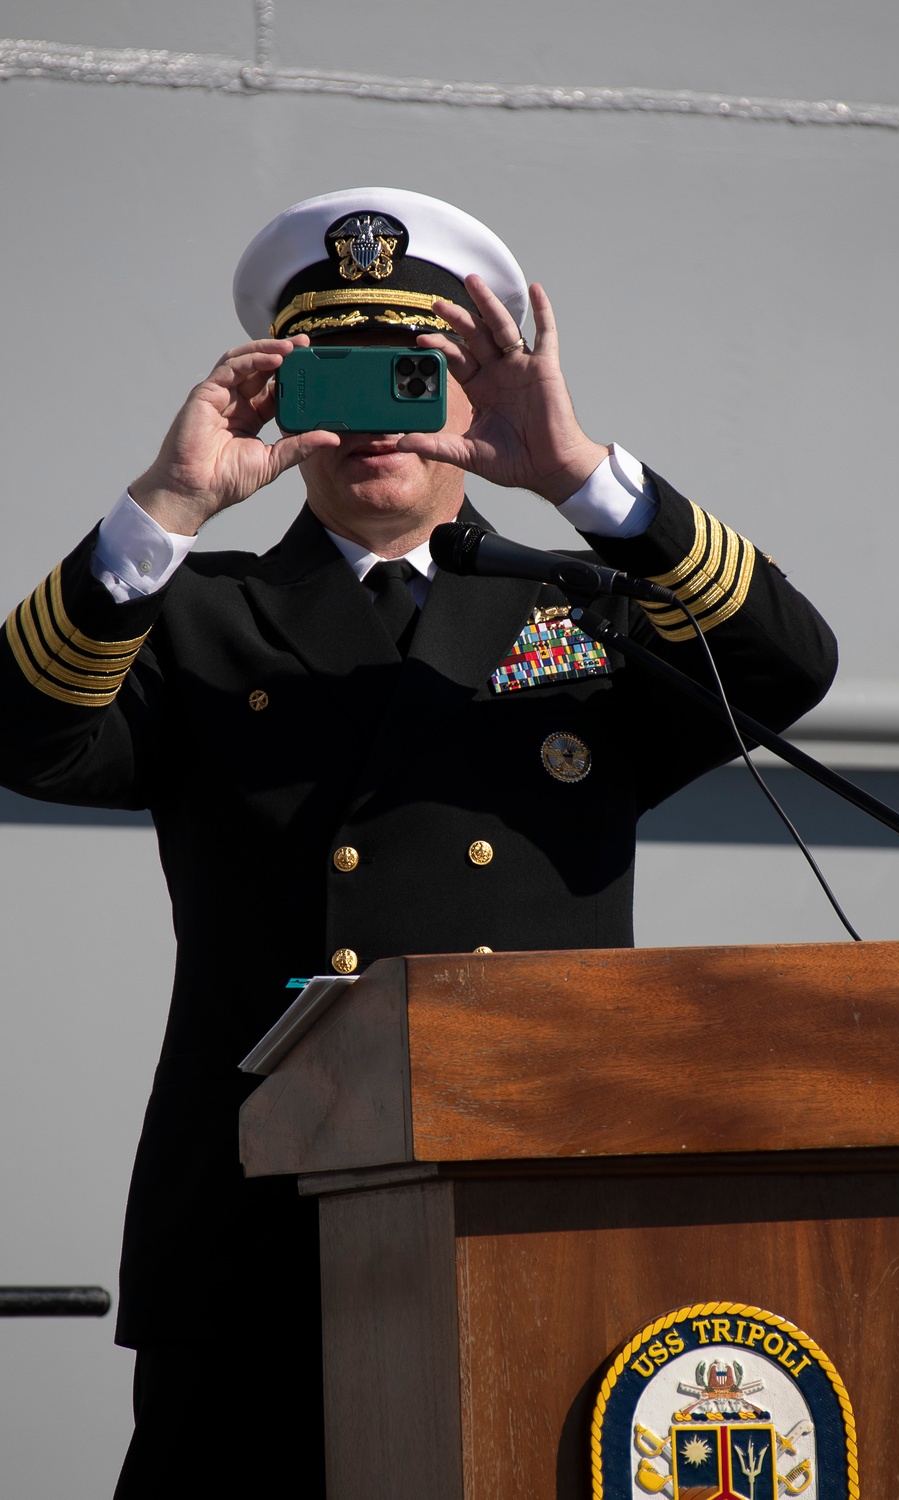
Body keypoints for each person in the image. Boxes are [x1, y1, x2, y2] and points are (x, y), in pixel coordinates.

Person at [0, 188, 837, 1496]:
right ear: (281, 399)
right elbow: (23, 736)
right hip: (260, 1237)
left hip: (536, 1201)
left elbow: (788, 664)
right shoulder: (198, 615)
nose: (373, 416)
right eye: (335, 377)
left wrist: (579, 478)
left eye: (416, 375)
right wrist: (168, 500)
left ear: (473, 399)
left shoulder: (584, 608)